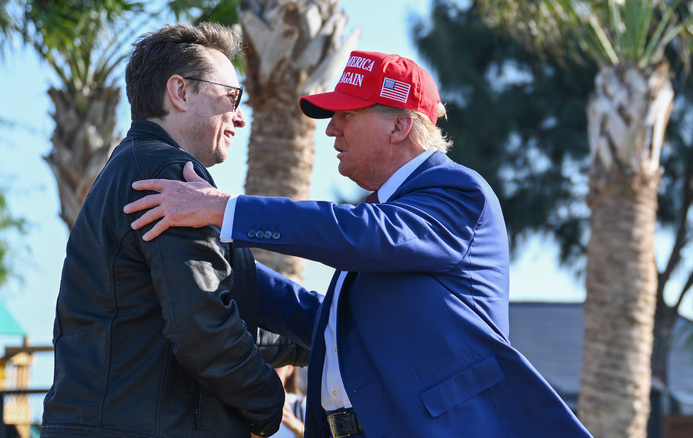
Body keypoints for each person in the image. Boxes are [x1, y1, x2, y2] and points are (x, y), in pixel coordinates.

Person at [123, 50, 593, 437]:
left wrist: (227, 210)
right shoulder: (385, 218)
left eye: (347, 114)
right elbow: (324, 323)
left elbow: (365, 234)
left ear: (400, 125)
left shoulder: (457, 192)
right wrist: (216, 254)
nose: (331, 129)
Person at [40, 22, 286, 438]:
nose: (240, 117)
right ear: (181, 92)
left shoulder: (130, 168)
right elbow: (203, 328)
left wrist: (321, 337)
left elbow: (190, 311)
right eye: (232, 97)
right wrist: (270, 406)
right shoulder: (171, 177)